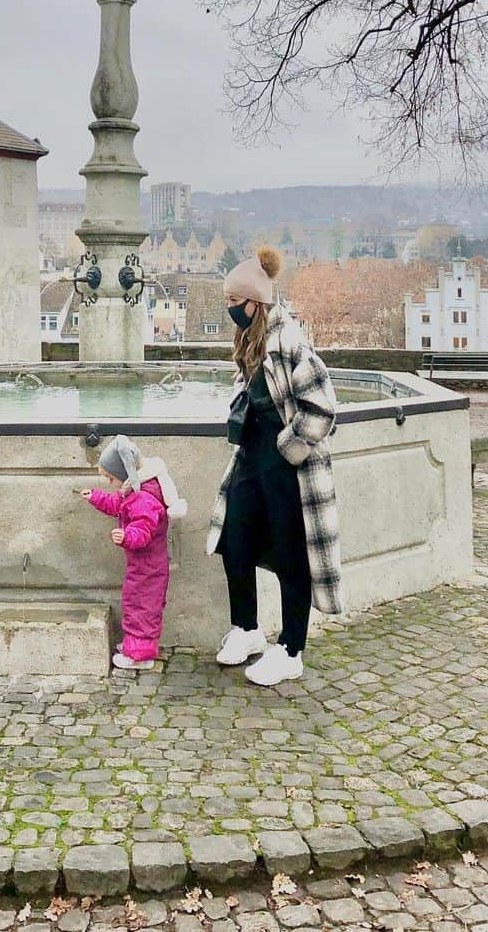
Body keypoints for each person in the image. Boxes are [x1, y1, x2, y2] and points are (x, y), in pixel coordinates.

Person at [206, 246, 343, 686]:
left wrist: (288, 449)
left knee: (291, 555)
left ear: (256, 301)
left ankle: (291, 649)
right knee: (234, 538)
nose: (230, 310)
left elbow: (322, 406)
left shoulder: (288, 340)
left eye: (234, 302)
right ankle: (247, 629)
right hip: (252, 457)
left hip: (288, 466)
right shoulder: (252, 339)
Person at [82, 434, 186, 670]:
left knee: (142, 606)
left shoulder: (143, 498)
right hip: (143, 566)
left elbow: (143, 531)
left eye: (110, 478)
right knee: (136, 603)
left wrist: (126, 536)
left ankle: (140, 656)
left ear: (123, 473)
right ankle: (135, 645)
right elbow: (117, 504)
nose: (109, 483)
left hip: (148, 567)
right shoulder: (134, 489)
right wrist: (95, 497)